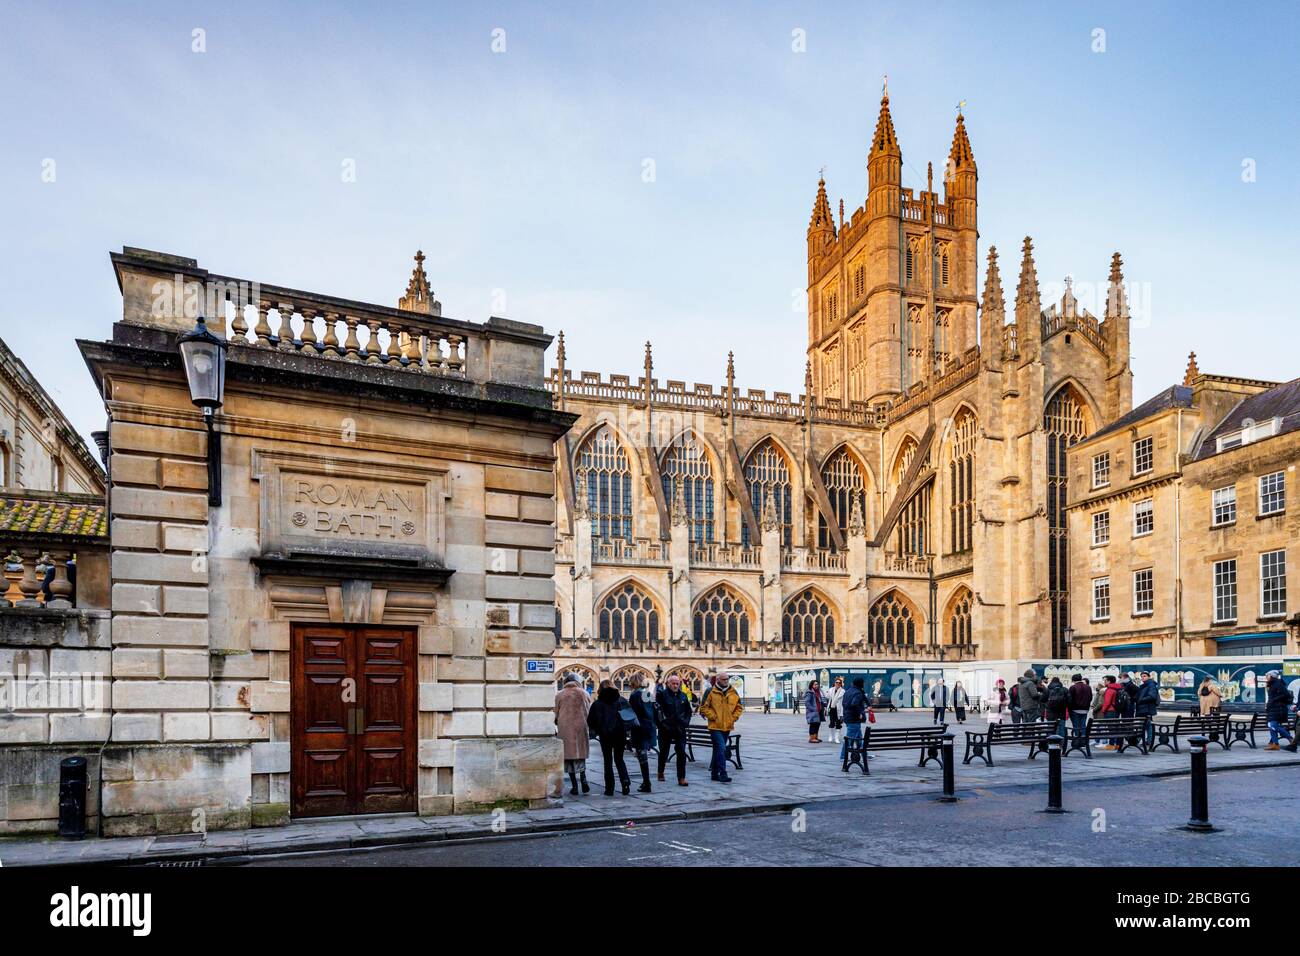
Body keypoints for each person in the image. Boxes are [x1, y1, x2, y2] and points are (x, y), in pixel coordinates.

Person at [586, 680, 631, 796]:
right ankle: (625, 781)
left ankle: (609, 788)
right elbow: (629, 716)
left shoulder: (598, 703)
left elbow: (590, 721)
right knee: (619, 759)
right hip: (620, 734)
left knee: (608, 761)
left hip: (605, 736)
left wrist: (598, 730)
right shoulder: (621, 700)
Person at [697, 671, 743, 782]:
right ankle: (723, 773)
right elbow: (703, 708)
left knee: (718, 749)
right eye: (724, 679)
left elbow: (739, 707)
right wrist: (713, 716)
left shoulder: (733, 691)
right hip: (715, 726)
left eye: (727, 679)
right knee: (722, 748)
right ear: (718, 680)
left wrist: (733, 718)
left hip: (727, 726)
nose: (726, 681)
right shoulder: (710, 691)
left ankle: (714, 774)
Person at [554, 674, 592, 795]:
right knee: (581, 756)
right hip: (581, 728)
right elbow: (589, 712)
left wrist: (558, 721)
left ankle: (574, 786)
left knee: (569, 759)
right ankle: (584, 779)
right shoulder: (584, 693)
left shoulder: (560, 694)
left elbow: (555, 713)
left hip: (566, 729)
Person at [655, 673, 693, 785]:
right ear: (668, 683)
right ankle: (660, 771)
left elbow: (688, 711)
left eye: (677, 683)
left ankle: (681, 778)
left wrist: (685, 722)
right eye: (673, 683)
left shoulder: (683, 696)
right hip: (666, 729)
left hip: (680, 728)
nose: (675, 685)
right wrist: (663, 725)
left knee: (681, 752)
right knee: (664, 752)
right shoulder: (661, 695)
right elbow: (658, 712)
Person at [627, 673, 657, 792]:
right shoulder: (647, 693)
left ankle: (647, 782)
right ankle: (646, 782)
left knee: (641, 754)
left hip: (639, 727)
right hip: (649, 726)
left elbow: (633, 712)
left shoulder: (635, 695)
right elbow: (652, 710)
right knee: (642, 754)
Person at [1264, 671, 1295, 751]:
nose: (1266, 677)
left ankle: (1290, 739)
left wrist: (1274, 700)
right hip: (1274, 708)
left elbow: (1286, 694)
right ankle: (1275, 744)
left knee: (1273, 725)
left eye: (1267, 675)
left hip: (1278, 709)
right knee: (1272, 725)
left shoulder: (1277, 684)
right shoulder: (1273, 684)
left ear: (1271, 676)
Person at [840, 677, 867, 768]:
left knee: (858, 737)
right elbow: (854, 704)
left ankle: (864, 754)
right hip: (853, 718)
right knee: (850, 738)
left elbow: (844, 703)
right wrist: (859, 713)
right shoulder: (857, 692)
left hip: (847, 717)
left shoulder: (848, 691)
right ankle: (843, 755)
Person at [1135, 671, 1161, 748]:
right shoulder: (1145, 685)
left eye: (1144, 676)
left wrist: (1140, 700)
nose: (1143, 677)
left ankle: (1144, 740)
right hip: (1143, 708)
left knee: (1146, 725)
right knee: (1145, 725)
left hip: (1147, 708)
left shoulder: (1151, 685)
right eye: (1142, 676)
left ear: (1149, 677)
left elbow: (1152, 696)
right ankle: (1145, 740)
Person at [1097, 675, 1123, 750]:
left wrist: (1103, 710)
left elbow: (1107, 702)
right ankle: (1117, 745)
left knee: (1111, 729)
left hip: (1110, 711)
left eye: (1105, 680)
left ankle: (1111, 745)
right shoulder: (1118, 688)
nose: (1104, 682)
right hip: (1116, 710)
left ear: (1109, 681)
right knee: (1115, 728)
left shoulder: (1110, 690)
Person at [1068, 673, 1093, 743]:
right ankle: (1084, 740)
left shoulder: (1073, 687)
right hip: (1085, 709)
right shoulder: (1088, 687)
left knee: (1076, 726)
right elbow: (1090, 698)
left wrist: (1070, 708)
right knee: (1083, 724)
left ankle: (1077, 740)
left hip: (1075, 709)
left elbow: (1069, 699)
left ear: (1073, 680)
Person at [826, 676, 845, 744]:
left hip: (839, 709)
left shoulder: (843, 691)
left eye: (839, 683)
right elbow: (827, 697)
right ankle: (831, 736)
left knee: (838, 723)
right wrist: (828, 692)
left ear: (841, 684)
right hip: (832, 708)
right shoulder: (831, 689)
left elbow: (843, 702)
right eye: (836, 682)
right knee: (831, 722)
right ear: (835, 683)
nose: (838, 684)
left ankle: (837, 738)